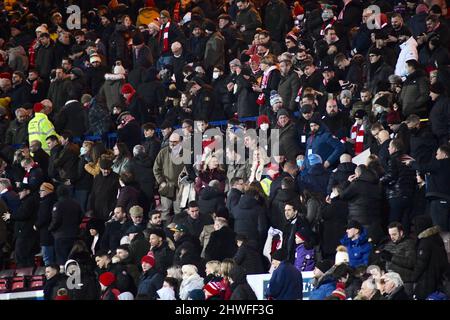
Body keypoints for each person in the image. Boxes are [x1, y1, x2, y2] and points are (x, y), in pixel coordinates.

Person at [412, 215, 449, 300]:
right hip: (438, 279)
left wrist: (413, 277)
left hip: (427, 281)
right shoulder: (437, 238)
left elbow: (421, 263)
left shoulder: (425, 242)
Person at [2, 184, 39, 267]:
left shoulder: (29, 201)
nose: (18, 193)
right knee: (27, 256)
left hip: (25, 234)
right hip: (25, 233)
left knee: (21, 255)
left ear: (27, 191)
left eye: (21, 191)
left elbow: (23, 214)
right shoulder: (26, 201)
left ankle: (23, 275)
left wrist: (10, 216)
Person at [153, 132, 185, 223]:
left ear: (180, 142)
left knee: (179, 212)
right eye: (170, 141)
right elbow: (156, 169)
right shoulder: (163, 152)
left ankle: (179, 233)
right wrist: (162, 182)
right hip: (166, 186)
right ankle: (165, 233)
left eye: (175, 141)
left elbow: (188, 169)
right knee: (165, 212)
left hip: (180, 187)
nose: (172, 143)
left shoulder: (186, 153)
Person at [48, 185, 83, 266]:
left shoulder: (58, 205)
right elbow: (80, 217)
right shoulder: (76, 204)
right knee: (73, 259)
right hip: (74, 235)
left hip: (61, 236)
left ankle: (64, 277)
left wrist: (50, 229)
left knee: (62, 260)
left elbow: (56, 221)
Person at [379, 222, 416, 297]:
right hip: (389, 279)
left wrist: (391, 257)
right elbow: (384, 260)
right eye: (390, 235)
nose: (392, 237)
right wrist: (381, 258)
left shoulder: (409, 244)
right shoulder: (389, 244)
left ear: (401, 233)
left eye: (394, 234)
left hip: (404, 281)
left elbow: (411, 262)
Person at [34, 182, 57, 266]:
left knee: (47, 258)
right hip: (50, 234)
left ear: (48, 191)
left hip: (46, 234)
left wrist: (36, 225)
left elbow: (44, 217)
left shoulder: (46, 202)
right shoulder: (53, 200)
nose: (40, 192)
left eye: (42, 190)